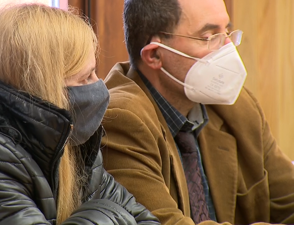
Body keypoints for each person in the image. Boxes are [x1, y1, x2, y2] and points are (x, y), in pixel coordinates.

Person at [0, 4, 161, 225]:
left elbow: (146, 220)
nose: (98, 84)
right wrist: (109, 214)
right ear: (43, 86)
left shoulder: (67, 138)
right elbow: (123, 212)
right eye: (85, 77)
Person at [101, 0, 294, 224]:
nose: (228, 49)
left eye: (228, 32)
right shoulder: (119, 119)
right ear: (155, 55)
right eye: (209, 37)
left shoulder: (237, 107)